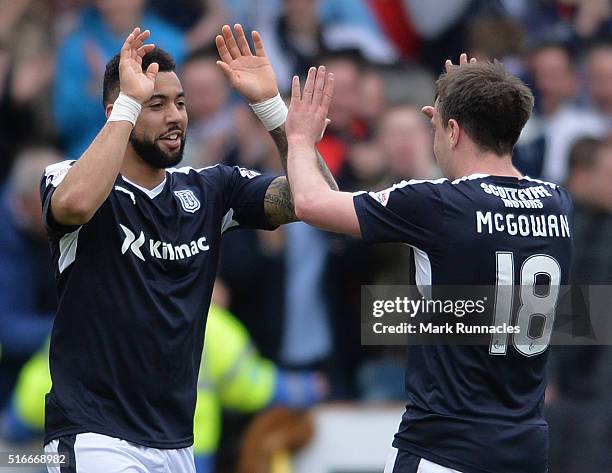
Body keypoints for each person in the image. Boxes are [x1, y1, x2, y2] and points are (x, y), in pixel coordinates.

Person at [40, 25, 336, 472]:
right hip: (92, 435)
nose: (175, 115)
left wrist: (270, 108)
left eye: (179, 103)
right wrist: (128, 104)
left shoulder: (211, 189)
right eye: (155, 104)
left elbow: (320, 201)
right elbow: (76, 206)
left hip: (177, 442)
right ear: (116, 110)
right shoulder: (67, 177)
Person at [284, 57, 572, 473]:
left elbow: (310, 203)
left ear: (453, 131)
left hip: (445, 446)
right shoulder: (556, 202)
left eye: (437, 128)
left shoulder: (437, 204)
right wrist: (476, 98)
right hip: (525, 446)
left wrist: (299, 137)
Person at [1, 304, 326, 473]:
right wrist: (304, 389)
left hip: (102, 454)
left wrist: (12, 428)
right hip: (188, 455)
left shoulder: (84, 317)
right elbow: (253, 385)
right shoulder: (208, 322)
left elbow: (34, 398)